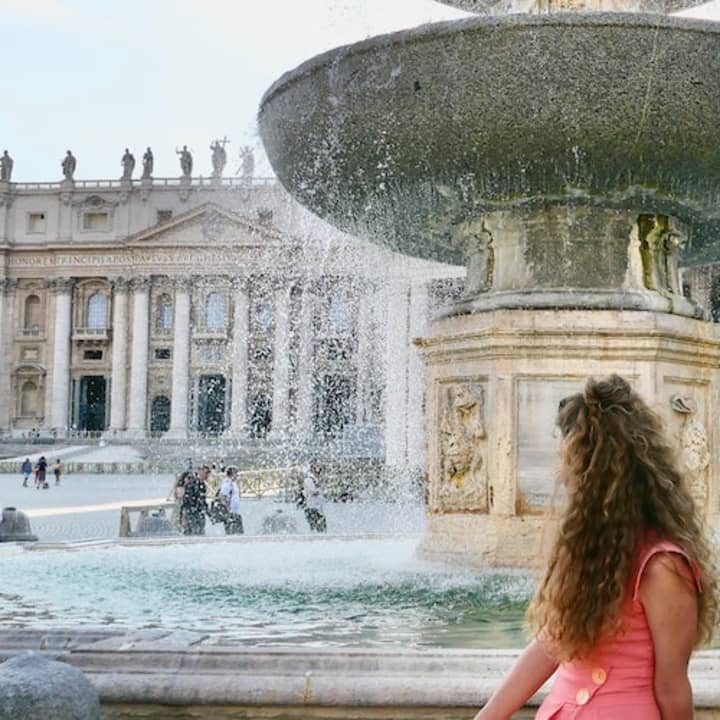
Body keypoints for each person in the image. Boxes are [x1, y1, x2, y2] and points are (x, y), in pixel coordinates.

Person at [474, 375, 718, 720]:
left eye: (574, 470)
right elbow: (550, 643)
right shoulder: (591, 548)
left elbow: (670, 686)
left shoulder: (662, 565)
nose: (563, 477)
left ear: (602, 477)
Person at [181, 466, 208, 535]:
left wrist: (208, 513)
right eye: (205, 472)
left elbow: (203, 500)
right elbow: (186, 500)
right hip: (192, 513)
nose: (207, 475)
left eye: (208, 473)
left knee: (200, 531)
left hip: (199, 512)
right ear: (199, 471)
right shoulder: (192, 484)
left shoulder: (202, 485)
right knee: (192, 531)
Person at [302, 462, 327, 533]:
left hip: (317, 508)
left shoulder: (315, 480)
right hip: (312, 508)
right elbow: (313, 492)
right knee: (316, 528)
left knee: (321, 528)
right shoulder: (309, 480)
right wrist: (319, 489)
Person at [218, 466, 243, 535]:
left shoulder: (233, 483)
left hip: (236, 513)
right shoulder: (227, 484)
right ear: (232, 473)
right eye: (236, 473)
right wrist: (227, 508)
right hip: (230, 513)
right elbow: (222, 497)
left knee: (239, 533)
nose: (237, 475)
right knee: (233, 533)